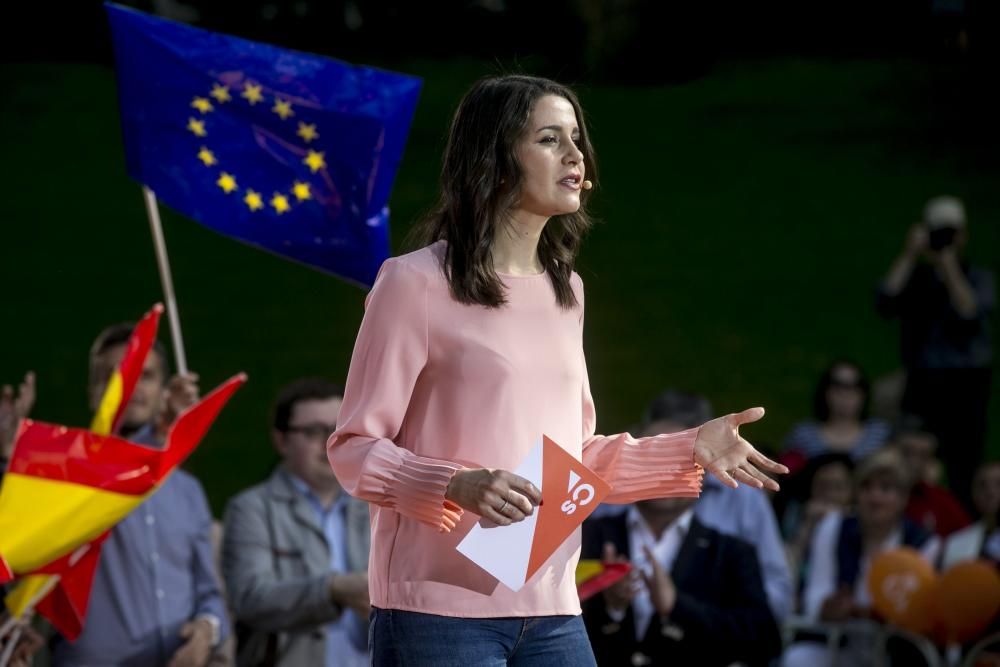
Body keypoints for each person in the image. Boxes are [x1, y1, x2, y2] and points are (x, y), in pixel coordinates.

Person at [326, 74, 787, 666]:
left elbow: (575, 462)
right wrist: (455, 484)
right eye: (549, 139)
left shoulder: (567, 290)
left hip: (553, 609)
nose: (575, 155)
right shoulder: (412, 283)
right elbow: (354, 447)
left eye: (576, 138)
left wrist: (690, 448)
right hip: (436, 612)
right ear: (493, 158)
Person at [51, 323, 230, 667]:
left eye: (143, 375)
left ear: (163, 390)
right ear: (93, 392)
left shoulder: (187, 490)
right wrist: (162, 436)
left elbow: (210, 594)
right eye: (115, 375)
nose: (130, 385)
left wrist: (207, 631)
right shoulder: (65, 473)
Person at [593, 389, 794, 622]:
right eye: (654, 454)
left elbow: (768, 608)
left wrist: (683, 608)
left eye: (682, 460)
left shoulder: (734, 542)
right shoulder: (598, 522)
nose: (664, 473)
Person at [223, 378, 370, 667]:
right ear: (281, 440)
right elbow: (250, 599)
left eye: (339, 430)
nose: (330, 442)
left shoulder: (374, 506)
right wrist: (331, 589)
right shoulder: (252, 509)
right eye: (314, 431)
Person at [877, 195, 994, 511]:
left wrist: (948, 264)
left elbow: (970, 313)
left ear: (962, 236)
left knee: (963, 459)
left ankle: (963, 516)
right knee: (912, 450)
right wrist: (910, 254)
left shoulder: (977, 277)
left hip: (966, 382)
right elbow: (885, 301)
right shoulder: (917, 278)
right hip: (923, 377)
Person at [581, 495, 781, 667]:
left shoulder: (730, 552)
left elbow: (763, 640)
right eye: (656, 458)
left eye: (681, 461)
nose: (667, 472)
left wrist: (676, 606)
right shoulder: (584, 535)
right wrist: (611, 608)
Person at [783, 449, 940, 667]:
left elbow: (920, 612)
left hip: (894, 652)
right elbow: (815, 595)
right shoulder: (834, 525)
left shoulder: (923, 543)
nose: (875, 497)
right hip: (839, 642)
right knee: (798, 659)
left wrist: (872, 613)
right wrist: (827, 606)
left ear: (904, 498)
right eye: (866, 487)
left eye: (886, 489)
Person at [782, 360, 890, 474]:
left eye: (854, 387)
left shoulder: (880, 433)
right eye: (838, 386)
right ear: (825, 391)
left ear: (864, 393)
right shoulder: (803, 434)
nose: (845, 394)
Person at [890, 418, 970, 537]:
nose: (914, 462)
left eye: (923, 455)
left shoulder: (942, 502)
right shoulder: (869, 493)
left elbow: (968, 540)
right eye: (906, 452)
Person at [941, 461, 1000, 568]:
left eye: (998, 483)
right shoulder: (956, 543)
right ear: (973, 493)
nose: (990, 491)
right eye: (982, 485)